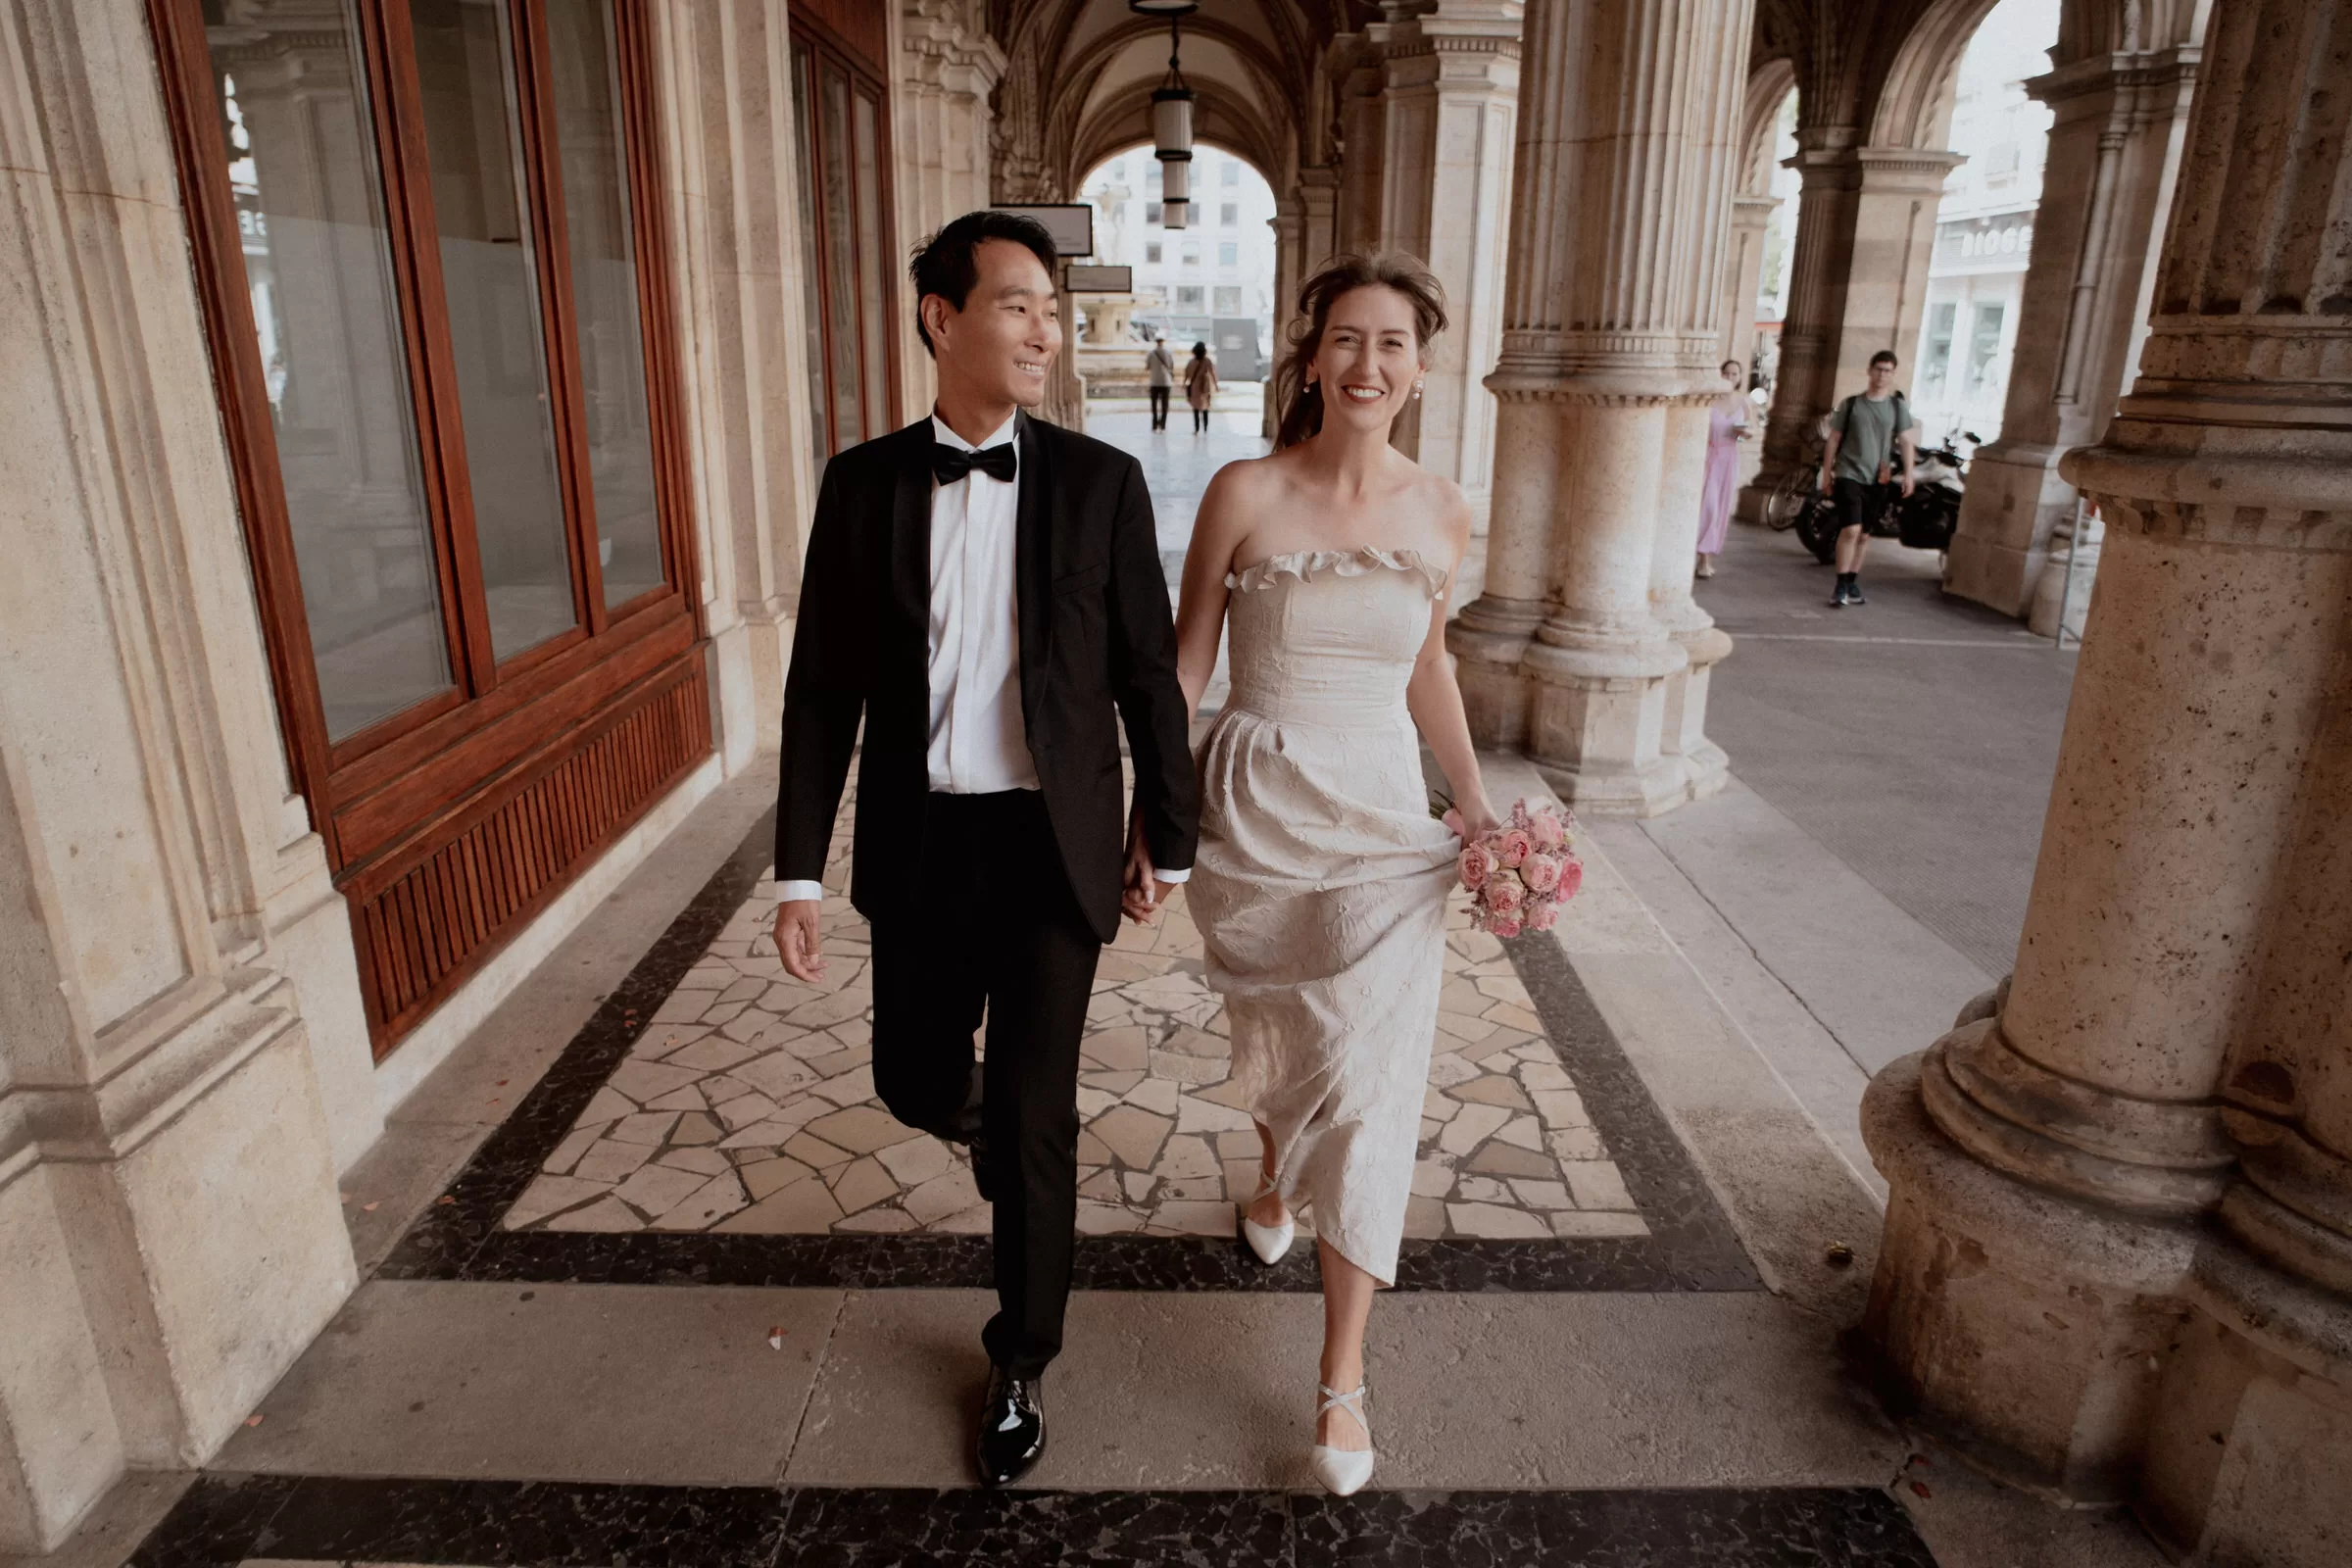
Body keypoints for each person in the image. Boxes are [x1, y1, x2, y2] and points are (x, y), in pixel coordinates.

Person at [772, 210, 1199, 1489]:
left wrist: (1166, 837)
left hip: (1049, 850)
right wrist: (798, 866)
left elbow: (1144, 674)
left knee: (1037, 1109)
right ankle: (994, 1134)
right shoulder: (861, 487)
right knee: (911, 1077)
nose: (1044, 328)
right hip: (919, 846)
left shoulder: (1100, 484)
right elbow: (820, 688)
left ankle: (1022, 1356)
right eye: (1015, 303)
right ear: (939, 318)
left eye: (1051, 309)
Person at [1141, 252, 1498, 1496]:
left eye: (1391, 343)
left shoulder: (1443, 509)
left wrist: (1482, 804)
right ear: (1312, 355)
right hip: (1259, 801)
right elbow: (1187, 666)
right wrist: (1156, 815)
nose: (1367, 364)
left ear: (1419, 364)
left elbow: (1430, 668)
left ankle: (1342, 1374)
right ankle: (1268, 1164)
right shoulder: (1245, 490)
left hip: (1386, 815)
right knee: (1287, 1020)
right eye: (1345, 339)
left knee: (1373, 1072)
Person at [1816, 348, 1919, 607]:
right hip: (1849, 473)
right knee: (1851, 529)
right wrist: (1827, 473)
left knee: (1864, 534)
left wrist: (1909, 474)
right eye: (1878, 369)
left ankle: (1851, 580)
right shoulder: (1852, 404)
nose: (1882, 375)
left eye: (1887, 371)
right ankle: (1840, 583)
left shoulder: (1897, 407)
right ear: (1870, 371)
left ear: (1893, 374)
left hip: (1878, 477)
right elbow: (1834, 439)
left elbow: (1906, 441)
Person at [1693, 358, 1749, 579]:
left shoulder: (1744, 403)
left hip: (1729, 458)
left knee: (1720, 508)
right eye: (1726, 373)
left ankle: (1705, 557)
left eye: (1734, 374)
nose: (1730, 377)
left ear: (1740, 378)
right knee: (1708, 506)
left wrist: (1742, 436)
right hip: (1709, 455)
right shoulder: (1709, 401)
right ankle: (1700, 555)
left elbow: (1747, 433)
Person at [1184, 339, 1218, 432]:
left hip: (1195, 386)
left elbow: (1187, 374)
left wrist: (1184, 383)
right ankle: (1205, 427)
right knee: (1205, 407)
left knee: (1195, 407)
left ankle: (1197, 427)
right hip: (1205, 387)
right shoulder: (1208, 361)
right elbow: (1213, 373)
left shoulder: (1191, 362)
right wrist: (1216, 385)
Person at [1146, 332, 1175, 430]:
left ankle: (1154, 424)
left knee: (1154, 405)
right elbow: (1171, 366)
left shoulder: (1151, 353)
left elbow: (1147, 367)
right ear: (1163, 342)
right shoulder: (1168, 353)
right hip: (1166, 382)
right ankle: (1163, 425)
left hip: (1154, 382)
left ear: (1156, 342)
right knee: (1165, 405)